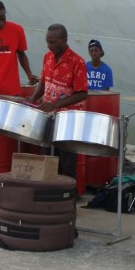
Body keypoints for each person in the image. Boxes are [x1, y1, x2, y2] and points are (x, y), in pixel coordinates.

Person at [28, 23, 88, 179]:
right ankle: (50, 198)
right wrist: (32, 99)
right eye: (47, 41)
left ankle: (67, 198)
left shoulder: (77, 62)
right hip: (48, 117)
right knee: (48, 160)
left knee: (66, 163)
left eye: (53, 42)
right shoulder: (47, 57)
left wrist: (54, 105)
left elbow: (82, 93)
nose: (49, 46)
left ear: (64, 40)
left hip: (68, 121)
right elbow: (43, 81)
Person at [0, 0, 38, 96]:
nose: (1, 23)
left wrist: (29, 74)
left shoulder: (17, 30)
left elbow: (21, 54)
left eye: (3, 19)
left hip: (11, 91)